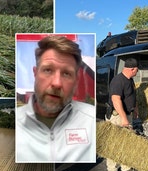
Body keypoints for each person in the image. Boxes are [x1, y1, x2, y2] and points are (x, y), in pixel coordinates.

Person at [16, 35, 96, 163]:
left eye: (66, 73)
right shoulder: (15, 123)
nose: (57, 83)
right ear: (35, 73)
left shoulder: (91, 119)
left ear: (76, 80)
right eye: (48, 70)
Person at [105, 57, 139, 171]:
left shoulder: (130, 80)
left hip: (127, 115)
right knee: (114, 143)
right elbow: (116, 100)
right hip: (118, 117)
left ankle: (125, 167)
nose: (137, 72)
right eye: (137, 70)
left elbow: (132, 95)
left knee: (126, 143)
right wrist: (124, 119)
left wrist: (135, 109)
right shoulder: (118, 80)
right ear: (132, 69)